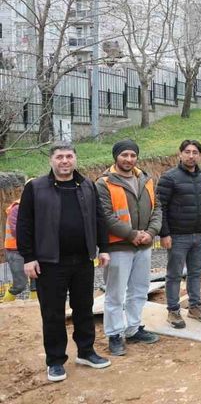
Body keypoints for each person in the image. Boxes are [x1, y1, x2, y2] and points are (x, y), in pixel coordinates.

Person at [17, 144, 111, 382]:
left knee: (84, 308)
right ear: (51, 161)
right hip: (49, 263)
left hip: (82, 261)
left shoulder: (87, 185)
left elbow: (99, 218)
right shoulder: (35, 188)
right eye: (59, 157)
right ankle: (56, 361)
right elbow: (24, 224)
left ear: (75, 160)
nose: (65, 161)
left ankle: (86, 351)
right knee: (52, 313)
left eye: (69, 156)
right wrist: (28, 257)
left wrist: (104, 248)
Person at [96, 139, 162, 357]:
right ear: (116, 156)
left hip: (143, 245)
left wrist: (150, 233)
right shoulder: (104, 183)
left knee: (139, 290)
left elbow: (157, 208)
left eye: (133, 155)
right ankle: (115, 334)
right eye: (124, 155)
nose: (129, 159)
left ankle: (133, 328)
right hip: (119, 246)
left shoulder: (145, 179)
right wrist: (132, 234)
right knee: (115, 294)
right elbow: (105, 216)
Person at [156, 139, 201, 328]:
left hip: (199, 235)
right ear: (180, 154)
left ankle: (195, 307)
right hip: (178, 236)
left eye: (195, 152)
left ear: (199, 155)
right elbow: (159, 207)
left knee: (196, 273)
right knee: (174, 275)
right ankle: (173, 311)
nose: (191, 155)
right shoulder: (169, 178)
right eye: (187, 152)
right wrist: (164, 233)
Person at [3, 196, 37, 302]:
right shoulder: (17, 208)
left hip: (30, 249)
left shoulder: (35, 206)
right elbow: (16, 231)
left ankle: (35, 307)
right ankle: (5, 305)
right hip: (15, 251)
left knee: (36, 281)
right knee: (20, 284)